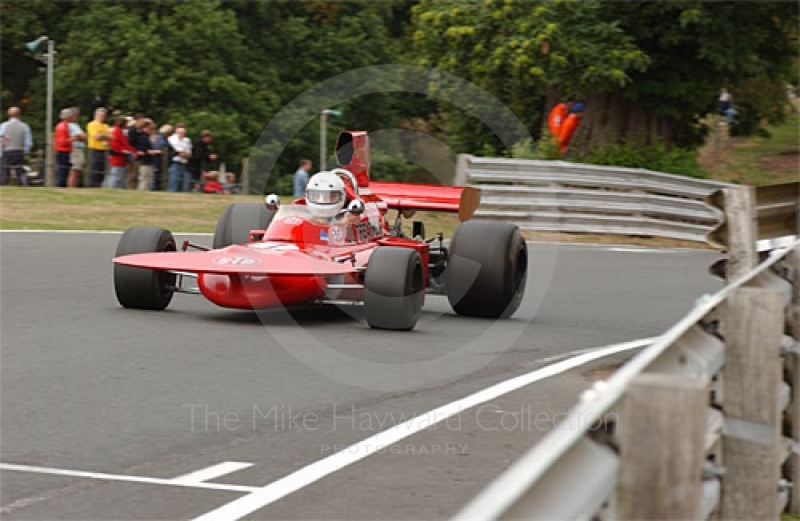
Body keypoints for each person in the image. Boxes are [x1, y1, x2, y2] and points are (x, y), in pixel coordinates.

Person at [0, 107, 33, 186]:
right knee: (19, 171)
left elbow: (1, 139)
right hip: (19, 151)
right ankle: (20, 185)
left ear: (8, 114)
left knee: (4, 171)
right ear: (19, 114)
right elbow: (28, 142)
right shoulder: (25, 126)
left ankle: (3, 186)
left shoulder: (4, 125)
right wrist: (25, 151)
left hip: (7, 151)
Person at [105, 116, 136, 189]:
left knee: (120, 176)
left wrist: (133, 151)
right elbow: (115, 145)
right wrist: (125, 151)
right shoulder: (116, 131)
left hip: (122, 158)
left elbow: (125, 144)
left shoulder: (121, 132)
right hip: (117, 158)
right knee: (116, 176)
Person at [129, 118, 158, 190]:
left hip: (148, 160)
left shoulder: (146, 136)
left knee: (148, 179)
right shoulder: (142, 136)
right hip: (144, 160)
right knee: (144, 178)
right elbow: (141, 147)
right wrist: (148, 151)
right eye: (150, 128)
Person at [86, 108, 112, 187]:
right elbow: (96, 136)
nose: (102, 117)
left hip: (104, 150)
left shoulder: (106, 126)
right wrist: (105, 135)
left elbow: (112, 136)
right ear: (95, 115)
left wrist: (103, 135)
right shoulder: (92, 124)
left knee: (102, 170)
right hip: (95, 150)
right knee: (94, 169)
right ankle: (91, 186)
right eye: (100, 115)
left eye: (103, 115)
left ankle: (99, 186)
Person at [167, 124, 192, 192]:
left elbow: (189, 153)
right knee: (173, 182)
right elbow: (177, 150)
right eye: (180, 133)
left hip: (184, 163)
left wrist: (183, 153)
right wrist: (182, 153)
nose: (181, 134)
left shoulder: (187, 140)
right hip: (174, 163)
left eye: (183, 133)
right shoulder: (171, 139)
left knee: (182, 184)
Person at [54, 108, 74, 187]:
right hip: (63, 151)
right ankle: (60, 186)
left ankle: (62, 185)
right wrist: (73, 139)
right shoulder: (62, 127)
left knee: (64, 171)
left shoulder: (64, 125)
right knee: (62, 171)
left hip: (64, 151)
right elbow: (62, 142)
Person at [67, 108, 86, 188]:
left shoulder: (75, 125)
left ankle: (75, 186)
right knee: (75, 169)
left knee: (78, 169)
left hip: (79, 149)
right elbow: (82, 136)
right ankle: (72, 187)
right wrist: (81, 136)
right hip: (76, 149)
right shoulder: (71, 125)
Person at [151, 124, 172, 190]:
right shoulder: (161, 139)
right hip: (158, 161)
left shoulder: (164, 139)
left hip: (161, 162)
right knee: (157, 176)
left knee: (158, 176)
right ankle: (154, 189)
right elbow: (159, 148)